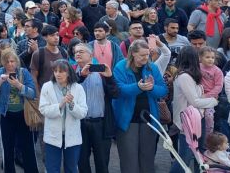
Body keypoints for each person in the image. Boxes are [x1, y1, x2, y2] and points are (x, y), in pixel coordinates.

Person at [112, 39, 168, 173]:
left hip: (149, 117)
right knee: (129, 158)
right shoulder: (120, 66)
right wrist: (138, 87)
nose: (146, 58)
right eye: (142, 55)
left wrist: (151, 88)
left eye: (147, 54)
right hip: (127, 119)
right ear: (133, 54)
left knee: (147, 157)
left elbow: (164, 90)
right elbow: (119, 90)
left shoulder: (152, 67)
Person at [0, 47, 38, 173]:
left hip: (23, 115)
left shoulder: (23, 72)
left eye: (12, 61)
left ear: (16, 61)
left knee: (28, 147)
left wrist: (19, 85)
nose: (10, 64)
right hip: (5, 115)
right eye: (7, 62)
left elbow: (32, 93)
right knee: (7, 148)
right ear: (3, 62)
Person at [170, 46, 218, 172]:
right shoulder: (184, 77)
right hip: (188, 121)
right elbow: (194, 101)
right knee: (185, 157)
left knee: (199, 153)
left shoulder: (191, 76)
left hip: (197, 118)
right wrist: (213, 101)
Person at [73, 43, 117, 173]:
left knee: (102, 162)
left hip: (100, 123)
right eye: (76, 52)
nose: (78, 54)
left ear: (91, 55)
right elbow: (67, 90)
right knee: (82, 162)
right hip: (79, 124)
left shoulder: (102, 73)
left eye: (81, 51)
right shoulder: (72, 73)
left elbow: (115, 94)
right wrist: (82, 76)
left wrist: (109, 78)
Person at [39, 59, 87, 173]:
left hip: (72, 137)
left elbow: (83, 113)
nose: (58, 74)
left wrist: (71, 105)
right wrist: (60, 105)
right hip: (52, 137)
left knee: (71, 169)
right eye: (55, 71)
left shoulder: (78, 88)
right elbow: (43, 109)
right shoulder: (47, 86)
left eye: (61, 71)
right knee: (52, 169)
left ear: (69, 72)